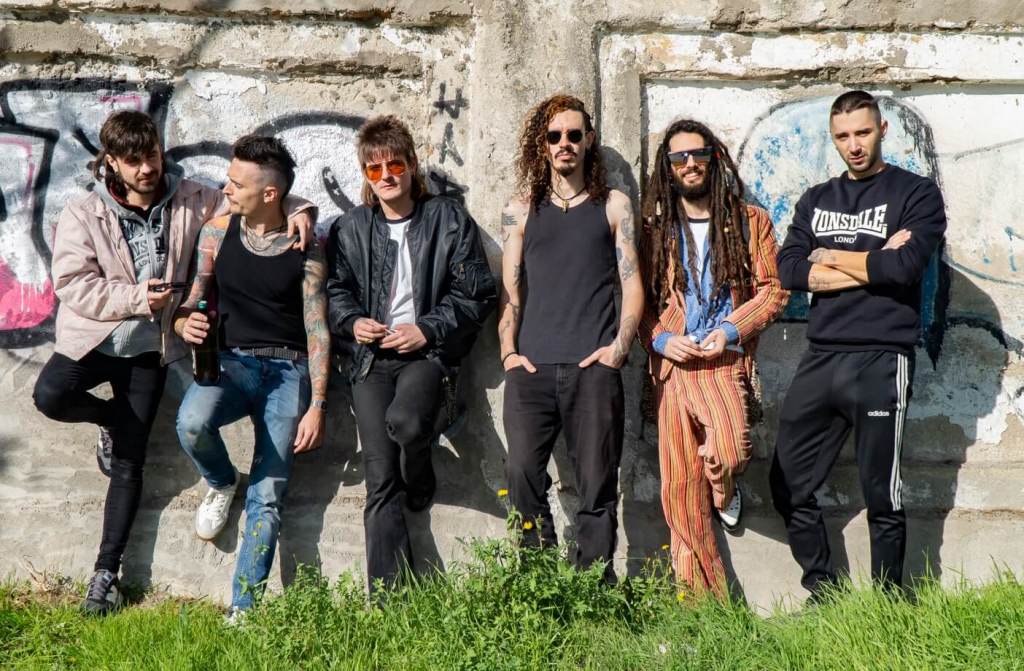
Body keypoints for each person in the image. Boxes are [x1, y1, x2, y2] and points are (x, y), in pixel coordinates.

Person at [31, 111, 313, 615]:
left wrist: (300, 206)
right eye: (133, 161)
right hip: (96, 340)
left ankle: (106, 575)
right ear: (111, 163)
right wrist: (138, 298)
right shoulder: (84, 212)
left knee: (129, 462)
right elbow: (72, 284)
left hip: (152, 351)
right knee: (50, 395)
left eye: (152, 156)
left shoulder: (193, 198)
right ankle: (112, 421)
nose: (147, 169)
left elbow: (253, 198)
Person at [773, 91, 947, 599]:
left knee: (881, 493)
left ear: (882, 130)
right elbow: (790, 271)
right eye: (843, 136)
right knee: (787, 481)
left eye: (863, 133)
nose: (854, 145)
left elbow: (904, 267)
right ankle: (824, 591)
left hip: (881, 358)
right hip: (821, 356)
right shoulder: (816, 199)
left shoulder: (916, 194)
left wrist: (827, 256)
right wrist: (871, 261)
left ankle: (889, 604)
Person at [325, 115, 496, 593]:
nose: (386, 176)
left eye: (395, 165)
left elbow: (477, 293)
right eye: (375, 169)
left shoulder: (447, 219)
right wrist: (353, 321)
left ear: (412, 165)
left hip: (426, 354)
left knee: (406, 424)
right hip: (370, 360)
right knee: (379, 479)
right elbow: (335, 290)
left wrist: (426, 329)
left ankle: (419, 474)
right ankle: (389, 597)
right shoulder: (350, 228)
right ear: (366, 174)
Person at [174, 135, 328, 615]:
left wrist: (318, 405)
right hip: (233, 362)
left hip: (289, 369)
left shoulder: (307, 247)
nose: (226, 189)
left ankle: (243, 609)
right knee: (191, 423)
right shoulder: (217, 233)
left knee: (268, 492)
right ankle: (222, 481)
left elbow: (317, 327)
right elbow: (192, 299)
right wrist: (183, 324)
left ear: (269, 193)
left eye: (237, 184)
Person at [637, 119, 788, 595]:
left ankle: (723, 489)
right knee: (680, 491)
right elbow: (636, 303)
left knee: (730, 450)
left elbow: (773, 291)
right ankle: (703, 604)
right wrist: (661, 339)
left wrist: (730, 331)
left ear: (714, 158)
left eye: (697, 154)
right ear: (667, 167)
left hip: (722, 360)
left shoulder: (750, 221)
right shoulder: (654, 230)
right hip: (673, 366)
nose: (689, 164)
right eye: (678, 158)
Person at [498, 94, 643, 583]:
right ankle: (539, 582)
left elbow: (632, 284)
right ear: (542, 145)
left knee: (598, 485)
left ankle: (593, 589)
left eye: (574, 135)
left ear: (589, 140)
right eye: (555, 135)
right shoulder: (520, 210)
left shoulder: (614, 205)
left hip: (593, 369)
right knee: (521, 474)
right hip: (531, 370)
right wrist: (509, 353)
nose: (565, 143)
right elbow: (510, 292)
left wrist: (618, 349)